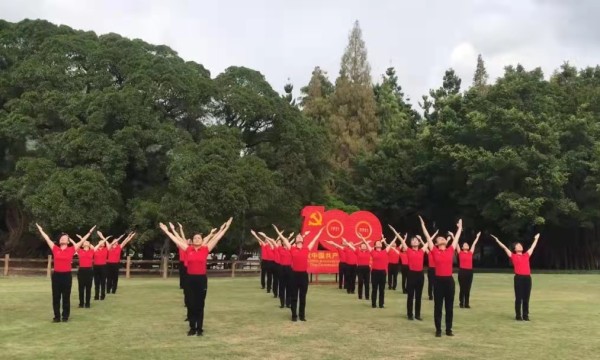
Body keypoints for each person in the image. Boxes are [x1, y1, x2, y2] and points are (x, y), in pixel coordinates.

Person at [160, 218, 232, 336]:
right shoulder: (188, 249)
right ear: (192, 241)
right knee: (191, 303)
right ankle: (192, 327)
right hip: (190, 279)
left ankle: (199, 328)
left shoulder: (205, 249)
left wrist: (226, 227)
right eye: (195, 238)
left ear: (202, 240)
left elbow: (217, 237)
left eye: (199, 238)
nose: (197, 239)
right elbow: (175, 239)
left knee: (200, 304)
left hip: (201, 279)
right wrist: (167, 231)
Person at [36, 223, 95, 322]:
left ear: (68, 241)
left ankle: (65, 316)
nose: (62, 239)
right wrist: (41, 230)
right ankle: (57, 317)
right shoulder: (55, 249)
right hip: (56, 276)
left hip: (67, 276)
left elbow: (82, 241)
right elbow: (47, 239)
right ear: (59, 241)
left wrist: (89, 232)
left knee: (66, 297)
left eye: (65, 238)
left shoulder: (72, 249)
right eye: (61, 238)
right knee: (56, 297)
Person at [421, 216, 462, 337]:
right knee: (438, 306)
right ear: (437, 243)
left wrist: (459, 228)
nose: (442, 239)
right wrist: (423, 225)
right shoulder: (434, 250)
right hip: (438, 281)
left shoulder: (450, 250)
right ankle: (438, 329)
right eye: (439, 238)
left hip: (449, 281)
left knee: (449, 307)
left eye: (443, 238)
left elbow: (457, 237)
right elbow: (427, 237)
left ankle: (448, 329)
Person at [274, 225, 323, 322]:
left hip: (303, 275)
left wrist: (320, 231)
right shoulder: (292, 248)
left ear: (302, 239)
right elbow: (284, 239)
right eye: (297, 237)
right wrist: (277, 231)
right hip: (294, 275)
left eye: (300, 236)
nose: (299, 237)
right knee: (294, 296)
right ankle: (294, 315)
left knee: (303, 296)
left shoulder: (306, 249)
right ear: (296, 240)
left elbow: (314, 239)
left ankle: (302, 315)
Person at [492, 233, 540, 321]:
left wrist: (536, 238)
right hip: (519, 278)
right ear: (515, 249)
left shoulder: (526, 255)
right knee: (519, 297)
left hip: (527, 278)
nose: (520, 246)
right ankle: (518, 316)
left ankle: (525, 315)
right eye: (518, 245)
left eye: (520, 245)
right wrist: (497, 240)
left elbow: (533, 247)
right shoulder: (512, 256)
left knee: (526, 297)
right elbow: (504, 247)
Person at [390, 225, 430, 321]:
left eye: (416, 240)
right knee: (410, 296)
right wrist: (394, 230)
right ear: (410, 243)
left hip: (420, 275)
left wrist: (423, 235)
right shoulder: (408, 250)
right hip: (411, 274)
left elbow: (429, 240)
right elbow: (401, 239)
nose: (415, 241)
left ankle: (417, 314)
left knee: (418, 296)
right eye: (413, 240)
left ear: (419, 243)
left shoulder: (422, 251)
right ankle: (410, 314)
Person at [360, 236, 392, 308]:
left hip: (382, 272)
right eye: (377, 243)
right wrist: (362, 238)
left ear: (381, 245)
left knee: (381, 289)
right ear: (375, 245)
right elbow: (366, 243)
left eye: (380, 243)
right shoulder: (372, 251)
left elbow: (390, 244)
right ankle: (373, 304)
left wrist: (396, 237)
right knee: (374, 289)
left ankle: (381, 304)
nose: (379, 243)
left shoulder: (385, 251)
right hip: (374, 272)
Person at [456, 232, 481, 309]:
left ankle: (466, 303)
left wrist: (477, 237)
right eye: (465, 245)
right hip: (462, 271)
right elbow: (456, 243)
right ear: (462, 247)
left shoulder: (470, 253)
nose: (467, 245)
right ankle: (461, 303)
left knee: (468, 288)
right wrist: (454, 236)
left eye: (467, 244)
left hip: (469, 272)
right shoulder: (460, 252)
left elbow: (474, 244)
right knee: (462, 288)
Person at [74, 235, 97, 309]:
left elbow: (94, 247)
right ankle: (81, 303)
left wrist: (87, 242)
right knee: (81, 288)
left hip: (89, 270)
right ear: (83, 244)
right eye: (85, 242)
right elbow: (76, 245)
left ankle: (87, 303)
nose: (86, 243)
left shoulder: (91, 251)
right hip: (81, 270)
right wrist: (82, 240)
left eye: (88, 242)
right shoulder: (80, 251)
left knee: (88, 288)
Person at [92, 233, 110, 301]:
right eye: (100, 242)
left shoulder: (106, 249)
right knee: (96, 282)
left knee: (103, 282)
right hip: (96, 266)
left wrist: (103, 238)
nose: (101, 243)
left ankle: (102, 295)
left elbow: (109, 246)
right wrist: (99, 243)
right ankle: (96, 296)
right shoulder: (95, 249)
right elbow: (94, 248)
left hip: (103, 267)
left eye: (103, 242)